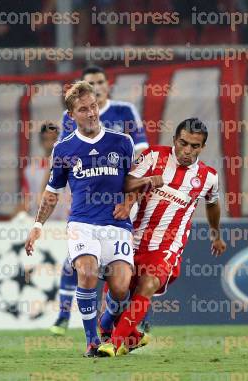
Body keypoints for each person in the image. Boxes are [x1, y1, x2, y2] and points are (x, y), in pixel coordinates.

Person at [97, 118, 227, 356]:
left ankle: (112, 344)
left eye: (195, 146)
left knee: (147, 286)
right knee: (118, 294)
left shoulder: (208, 177)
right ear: (174, 140)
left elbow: (212, 204)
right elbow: (126, 182)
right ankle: (129, 336)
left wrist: (215, 235)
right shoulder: (154, 156)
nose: (187, 151)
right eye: (183, 143)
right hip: (132, 238)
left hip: (168, 245)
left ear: (203, 147)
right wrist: (140, 189)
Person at [25, 81, 135, 357]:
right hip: (82, 223)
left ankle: (106, 323)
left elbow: (133, 182)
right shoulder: (63, 149)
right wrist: (37, 225)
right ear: (71, 116)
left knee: (121, 288)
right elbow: (52, 192)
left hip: (117, 225)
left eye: (94, 106)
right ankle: (91, 340)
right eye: (83, 109)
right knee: (86, 274)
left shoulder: (122, 142)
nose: (91, 113)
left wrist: (129, 202)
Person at [50, 65, 151, 336]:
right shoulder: (69, 115)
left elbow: (142, 155)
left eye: (100, 81)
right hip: (87, 206)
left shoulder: (124, 111)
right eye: (91, 82)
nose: (97, 85)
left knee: (132, 264)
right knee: (81, 263)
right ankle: (65, 316)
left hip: (125, 198)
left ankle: (137, 317)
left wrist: (130, 197)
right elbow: (67, 156)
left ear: (107, 85)